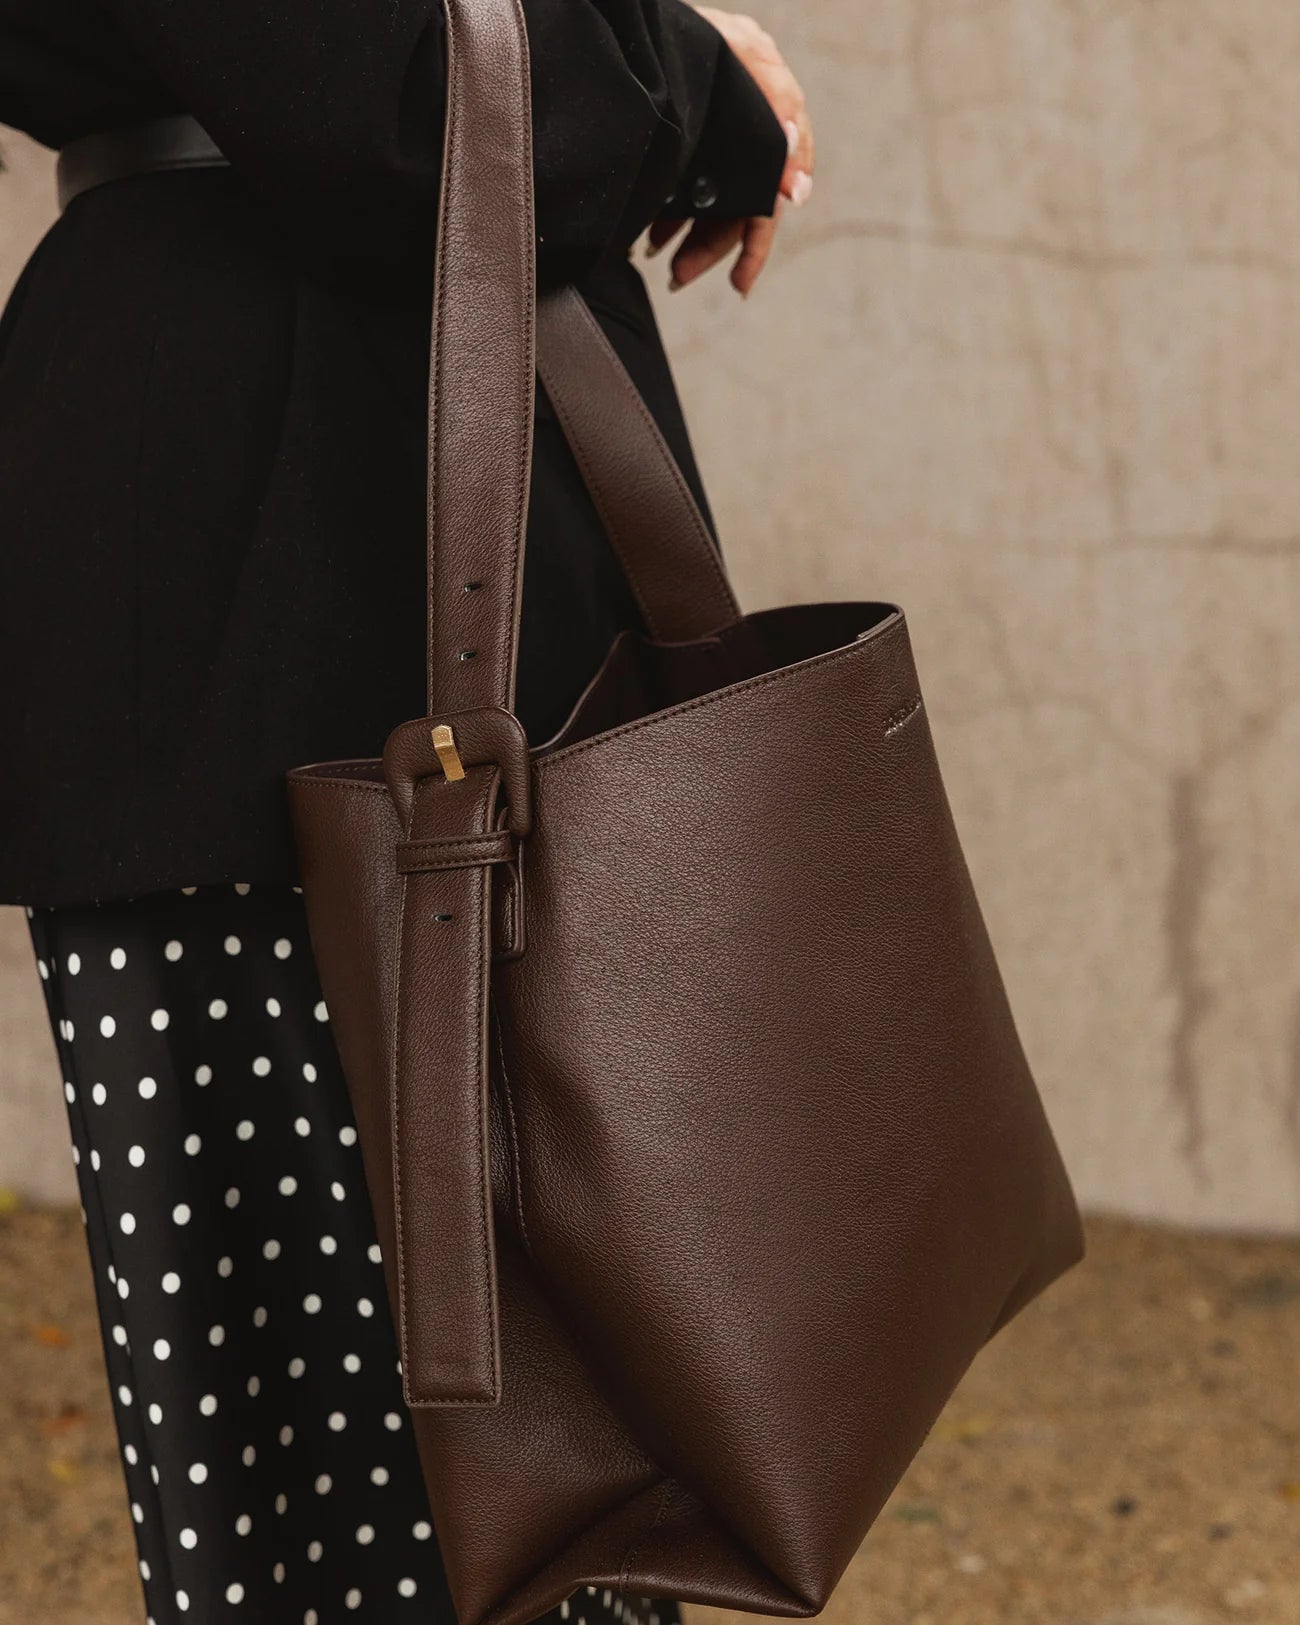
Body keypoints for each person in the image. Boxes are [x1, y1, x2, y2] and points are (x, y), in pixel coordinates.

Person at [0, 1, 814, 1620]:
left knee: (381, 1476)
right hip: (308, 546)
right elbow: (403, 96)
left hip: (253, 536)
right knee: (424, 1493)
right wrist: (692, 73)